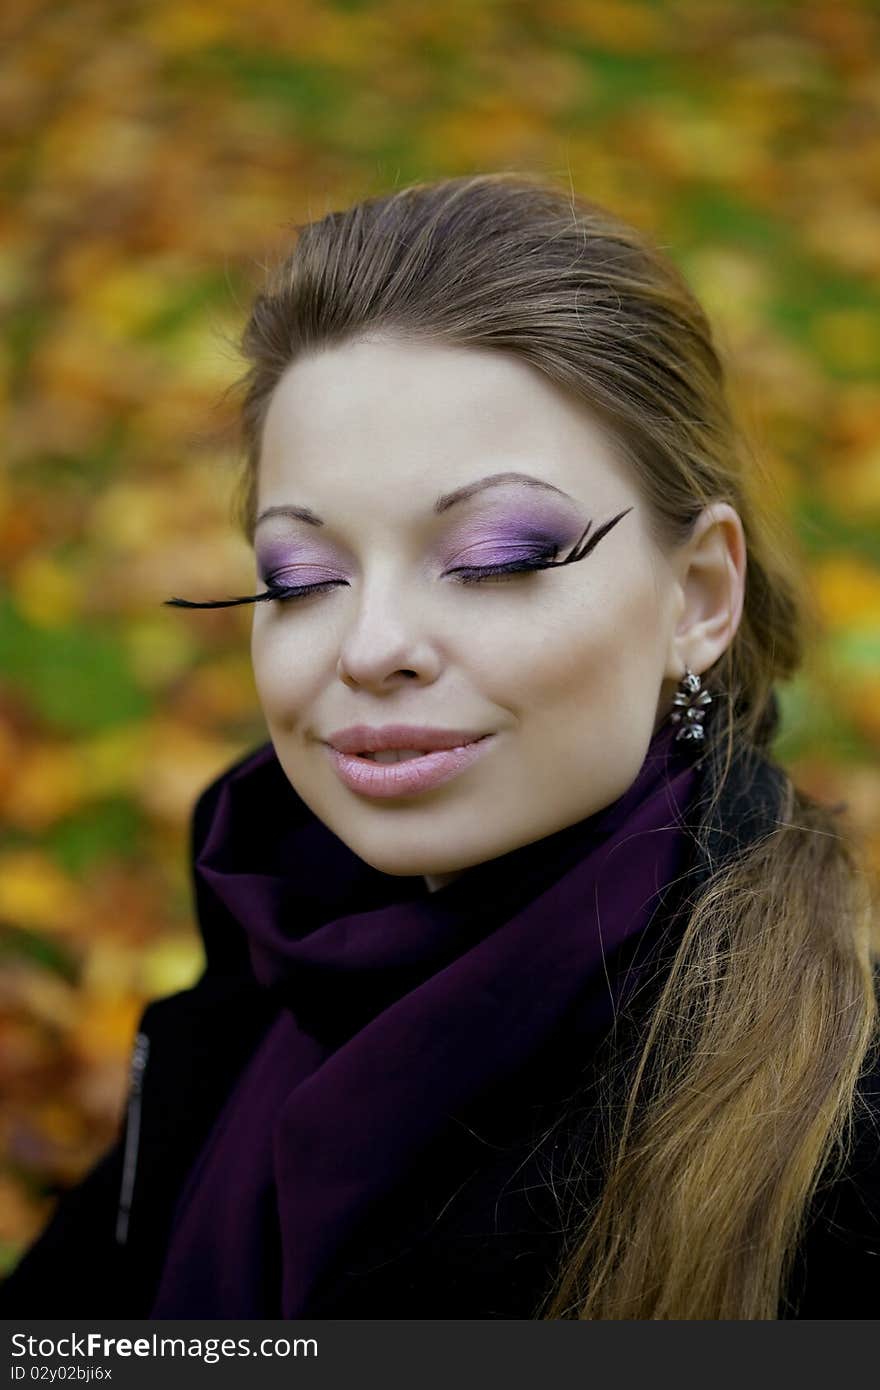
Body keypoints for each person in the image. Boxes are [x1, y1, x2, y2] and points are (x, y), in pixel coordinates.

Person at [2, 172, 878, 1321]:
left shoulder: (829, 1153)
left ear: (698, 596)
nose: (370, 647)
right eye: (300, 576)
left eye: (499, 553)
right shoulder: (266, 942)